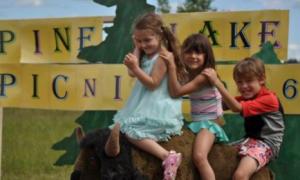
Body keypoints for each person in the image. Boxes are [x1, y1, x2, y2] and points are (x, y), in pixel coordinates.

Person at [105, 12, 186, 180]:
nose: (143, 44)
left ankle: (167, 156)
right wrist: (136, 48)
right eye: (139, 40)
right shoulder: (144, 53)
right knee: (120, 127)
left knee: (132, 132)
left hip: (158, 105)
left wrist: (135, 68)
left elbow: (153, 83)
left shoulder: (163, 56)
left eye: (147, 40)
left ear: (160, 35)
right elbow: (130, 72)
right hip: (144, 103)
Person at [202, 57, 285, 180]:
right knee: (220, 154)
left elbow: (236, 108)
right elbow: (222, 104)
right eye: (240, 82)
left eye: (249, 81)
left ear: (262, 79)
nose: (244, 86)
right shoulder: (246, 97)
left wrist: (217, 83)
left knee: (240, 176)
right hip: (249, 140)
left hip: (267, 144)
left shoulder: (269, 99)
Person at [161, 33, 229, 180]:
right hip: (197, 123)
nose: (193, 56)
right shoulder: (188, 74)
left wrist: (171, 66)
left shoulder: (205, 76)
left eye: (198, 52)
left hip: (210, 124)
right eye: (189, 52)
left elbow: (175, 92)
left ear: (206, 55)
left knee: (199, 157)